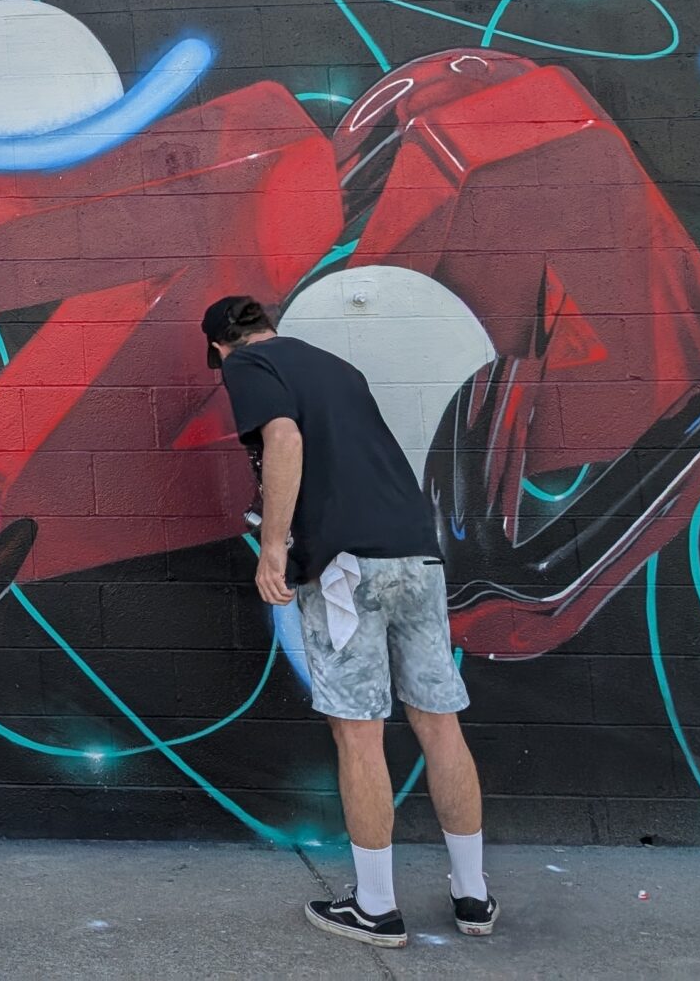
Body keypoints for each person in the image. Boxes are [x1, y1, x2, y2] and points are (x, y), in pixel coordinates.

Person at [203, 294, 496, 948]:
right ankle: (473, 896)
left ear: (222, 345)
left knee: (359, 736)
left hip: (344, 570)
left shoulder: (249, 364)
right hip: (416, 554)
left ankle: (376, 908)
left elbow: (284, 438)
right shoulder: (335, 366)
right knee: (440, 726)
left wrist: (272, 547)